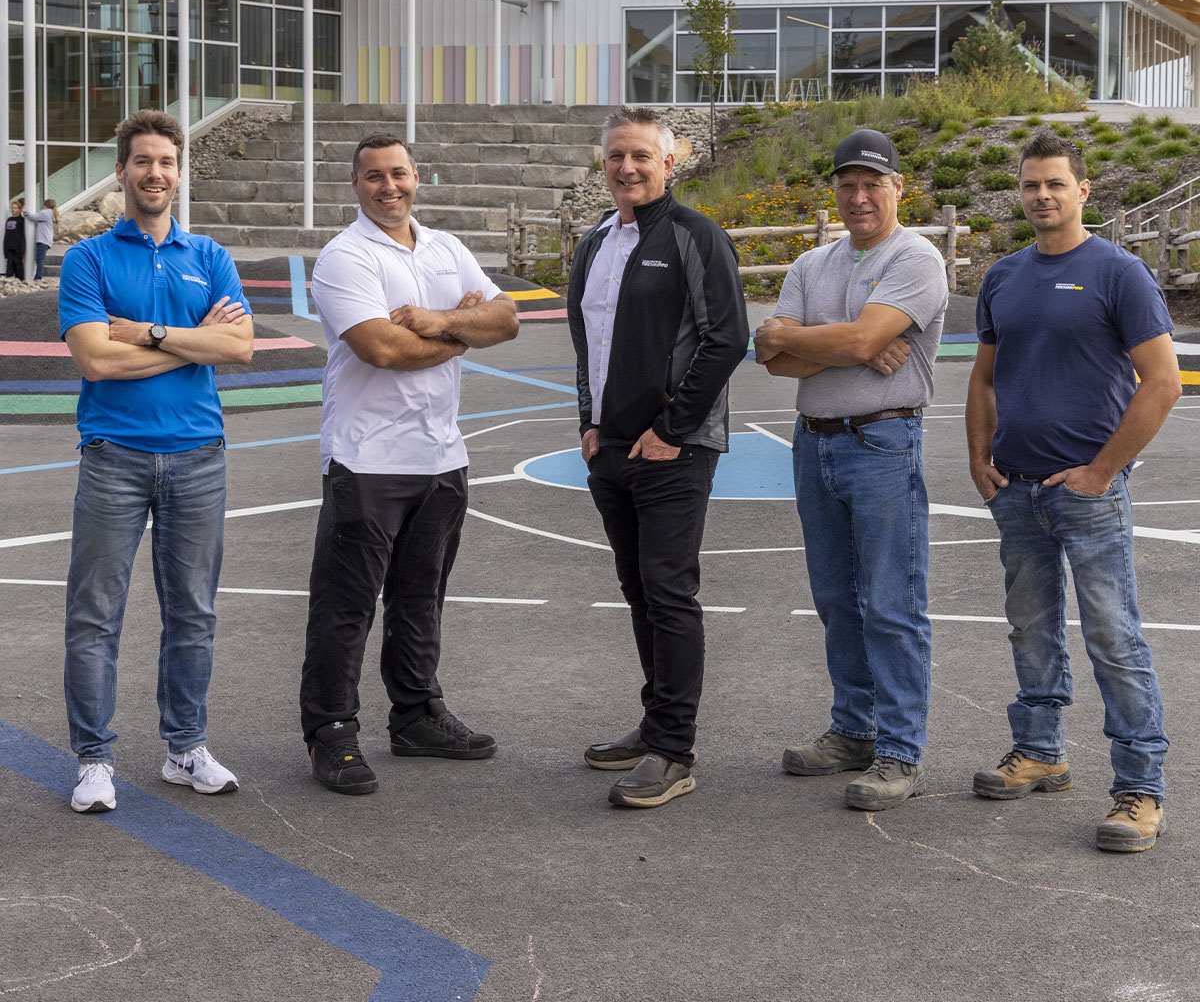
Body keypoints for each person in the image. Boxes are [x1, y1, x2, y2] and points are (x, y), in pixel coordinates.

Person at [966, 130, 1180, 853]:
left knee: (1114, 640)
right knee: (1030, 629)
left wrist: (1101, 471)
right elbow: (984, 378)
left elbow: (1164, 381)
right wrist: (978, 460)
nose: (1041, 196)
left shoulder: (1118, 273)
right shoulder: (1003, 277)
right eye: (1030, 185)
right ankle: (1040, 749)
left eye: (1054, 184)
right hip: (1018, 492)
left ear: (1082, 191)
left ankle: (1139, 789)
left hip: (1089, 497)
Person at [299, 133, 519, 796]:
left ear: (416, 177)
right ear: (355, 184)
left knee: (421, 598)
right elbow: (382, 350)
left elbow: (507, 319)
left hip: (442, 456)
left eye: (397, 173)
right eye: (373, 176)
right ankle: (331, 733)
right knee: (346, 606)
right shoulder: (346, 257)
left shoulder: (446, 248)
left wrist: (431, 320)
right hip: (366, 458)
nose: (387, 186)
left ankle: (417, 714)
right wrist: (459, 332)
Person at [58, 109, 253, 815]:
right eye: (142, 161)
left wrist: (146, 332)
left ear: (179, 171)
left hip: (198, 456)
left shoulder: (209, 257)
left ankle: (185, 748)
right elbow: (94, 359)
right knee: (95, 616)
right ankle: (94, 760)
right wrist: (189, 339)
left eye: (166, 162)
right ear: (122, 170)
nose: (155, 173)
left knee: (193, 614)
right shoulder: (87, 259)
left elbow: (239, 349)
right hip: (114, 457)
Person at [754, 129, 948, 812]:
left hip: (882, 443)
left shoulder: (916, 258)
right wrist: (853, 348)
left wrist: (834, 341)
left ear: (899, 188)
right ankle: (853, 730)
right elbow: (770, 356)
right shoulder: (813, 263)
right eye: (848, 184)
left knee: (891, 604)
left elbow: (845, 339)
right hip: (814, 443)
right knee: (838, 600)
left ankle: (899, 752)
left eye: (873, 184)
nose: (859, 196)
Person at [567, 106, 748, 809]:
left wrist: (673, 427)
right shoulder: (595, 244)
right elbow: (589, 344)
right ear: (604, 164)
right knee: (640, 590)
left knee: (669, 593)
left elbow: (726, 338)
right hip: (611, 448)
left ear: (671, 164)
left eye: (642, 156)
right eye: (617, 156)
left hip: (675, 450)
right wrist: (588, 422)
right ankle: (653, 726)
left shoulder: (695, 236)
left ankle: (675, 748)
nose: (628, 168)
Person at [24, 198, 59, 280]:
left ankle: (38, 277)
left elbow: (32, 216)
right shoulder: (51, 213)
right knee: (40, 258)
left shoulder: (45, 213)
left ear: (45, 205)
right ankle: (38, 277)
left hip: (42, 240)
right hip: (46, 240)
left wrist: (24, 210)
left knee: (40, 259)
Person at [4, 200, 24, 277]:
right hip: (9, 247)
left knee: (18, 264)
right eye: (12, 208)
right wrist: (5, 248)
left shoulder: (22, 220)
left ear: (19, 209)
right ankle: (9, 280)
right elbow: (6, 234)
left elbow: (22, 236)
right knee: (9, 265)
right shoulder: (9, 220)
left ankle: (20, 281)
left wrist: (21, 249)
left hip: (17, 247)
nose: (13, 210)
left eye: (15, 208)